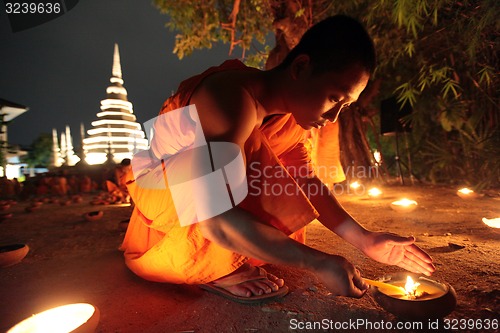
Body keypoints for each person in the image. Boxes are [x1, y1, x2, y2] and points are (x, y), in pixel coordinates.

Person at [121, 15, 435, 303]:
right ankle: (214, 267)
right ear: (300, 68)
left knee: (285, 181)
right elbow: (215, 221)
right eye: (335, 98)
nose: (333, 117)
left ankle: (236, 253)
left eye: (345, 106)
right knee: (252, 163)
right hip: (166, 200)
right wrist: (317, 261)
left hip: (202, 198)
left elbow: (307, 183)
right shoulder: (229, 99)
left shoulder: (288, 118)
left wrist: (365, 240)